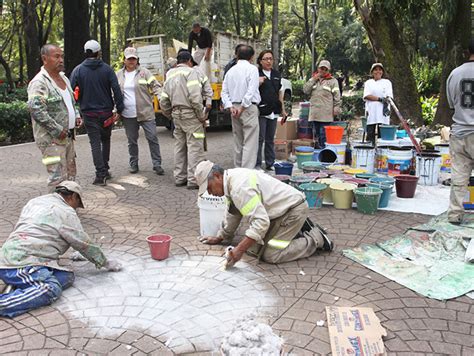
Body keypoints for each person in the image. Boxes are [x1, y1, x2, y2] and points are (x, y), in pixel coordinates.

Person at [0, 181, 121, 318]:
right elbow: (83, 243)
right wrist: (104, 262)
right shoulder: (66, 212)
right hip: (19, 262)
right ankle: (4, 303)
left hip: (12, 254)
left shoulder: (36, 201)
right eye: (77, 204)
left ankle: (22, 283)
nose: (76, 209)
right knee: (51, 289)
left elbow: (42, 231)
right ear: (73, 196)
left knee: (66, 276)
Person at [195, 161, 334, 266]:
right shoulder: (230, 179)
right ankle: (295, 231)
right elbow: (234, 212)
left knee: (271, 255)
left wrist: (239, 250)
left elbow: (260, 222)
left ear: (217, 176)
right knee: (254, 249)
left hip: (292, 211)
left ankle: (316, 239)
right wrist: (221, 237)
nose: (210, 193)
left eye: (208, 187)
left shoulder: (239, 188)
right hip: (278, 211)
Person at [70, 40, 124, 186]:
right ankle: (105, 169)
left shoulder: (78, 70)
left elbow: (70, 92)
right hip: (106, 113)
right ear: (98, 52)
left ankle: (100, 175)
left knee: (94, 143)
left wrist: (75, 112)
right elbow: (116, 90)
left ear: (85, 52)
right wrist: (120, 109)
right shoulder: (107, 69)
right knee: (106, 140)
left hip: (89, 114)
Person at [27, 44, 82, 189]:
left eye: (62, 56)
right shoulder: (39, 82)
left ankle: (68, 208)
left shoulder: (64, 78)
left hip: (68, 137)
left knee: (70, 174)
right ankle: (54, 209)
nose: (61, 60)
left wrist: (76, 115)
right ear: (44, 59)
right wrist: (58, 130)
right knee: (57, 177)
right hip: (51, 141)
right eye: (56, 56)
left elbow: (71, 101)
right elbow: (36, 110)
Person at [159, 51, 206, 189]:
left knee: (179, 146)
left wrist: (169, 114)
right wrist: (200, 115)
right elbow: (195, 97)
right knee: (195, 146)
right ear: (189, 61)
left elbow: (163, 99)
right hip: (191, 115)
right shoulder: (191, 73)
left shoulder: (170, 74)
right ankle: (193, 179)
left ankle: (180, 177)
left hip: (176, 116)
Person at [116, 47, 164, 175]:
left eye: (134, 59)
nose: (131, 61)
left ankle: (157, 164)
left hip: (146, 112)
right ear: (124, 60)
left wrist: (160, 98)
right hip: (128, 114)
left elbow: (155, 86)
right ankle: (134, 164)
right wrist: (115, 109)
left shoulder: (144, 72)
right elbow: (113, 93)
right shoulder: (119, 75)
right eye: (129, 59)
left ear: (137, 60)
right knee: (132, 141)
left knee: (152, 137)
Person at [446, 40, 474, 225]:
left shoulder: (455, 73)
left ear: (467, 52)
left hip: (460, 132)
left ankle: (455, 215)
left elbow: (451, 104)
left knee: (459, 176)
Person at [221, 45, 261, 168]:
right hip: (248, 108)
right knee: (250, 142)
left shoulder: (230, 71)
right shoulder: (252, 69)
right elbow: (251, 90)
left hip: (234, 108)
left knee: (238, 141)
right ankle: (247, 173)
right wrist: (243, 107)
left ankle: (238, 170)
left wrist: (230, 107)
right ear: (252, 57)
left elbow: (224, 91)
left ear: (236, 55)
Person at [256, 50, 287, 171]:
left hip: (274, 110)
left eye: (271, 59)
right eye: (266, 59)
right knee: (259, 138)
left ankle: (270, 162)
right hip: (261, 111)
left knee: (270, 138)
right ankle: (257, 164)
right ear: (260, 61)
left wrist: (283, 110)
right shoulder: (256, 74)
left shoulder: (276, 74)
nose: (269, 61)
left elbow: (280, 93)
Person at [303, 60, 342, 148]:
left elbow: (337, 96)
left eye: (325, 69)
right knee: (316, 135)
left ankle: (324, 154)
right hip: (314, 113)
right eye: (321, 68)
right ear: (318, 68)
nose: (323, 71)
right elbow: (305, 90)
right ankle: (318, 154)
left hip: (326, 114)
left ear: (329, 70)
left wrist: (336, 107)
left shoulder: (333, 81)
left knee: (323, 135)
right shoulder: (313, 79)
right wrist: (314, 79)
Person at [363, 63, 393, 145]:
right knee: (370, 134)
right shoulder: (368, 83)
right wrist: (380, 99)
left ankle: (381, 153)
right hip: (371, 111)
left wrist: (384, 99)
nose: (378, 71)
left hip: (383, 112)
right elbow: (367, 96)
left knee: (382, 135)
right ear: (372, 72)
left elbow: (389, 97)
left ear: (382, 72)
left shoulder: (387, 82)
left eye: (380, 69)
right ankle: (370, 152)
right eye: (375, 70)